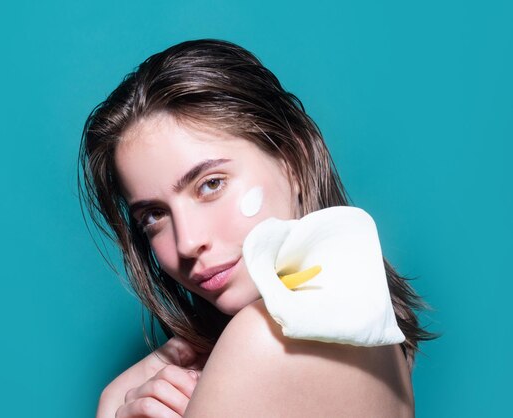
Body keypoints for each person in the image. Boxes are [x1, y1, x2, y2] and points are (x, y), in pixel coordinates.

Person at [80, 39, 435, 417]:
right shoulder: (379, 340)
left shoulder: (261, 339)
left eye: (211, 184)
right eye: (153, 215)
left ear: (293, 161)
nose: (188, 242)